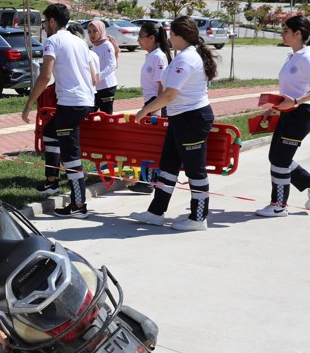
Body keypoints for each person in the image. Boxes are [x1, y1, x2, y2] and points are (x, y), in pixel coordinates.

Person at [130, 16, 218, 231]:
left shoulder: (186, 59)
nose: (169, 39)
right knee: (168, 167)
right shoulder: (185, 55)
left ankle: (198, 218)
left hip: (192, 119)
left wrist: (145, 110)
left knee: (195, 171)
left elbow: (169, 94)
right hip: (180, 118)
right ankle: (156, 212)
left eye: (172, 34)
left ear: (180, 36)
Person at [21, 3, 97, 218]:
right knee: (49, 132)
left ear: (53, 21)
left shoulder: (53, 41)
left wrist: (29, 104)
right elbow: (92, 75)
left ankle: (78, 205)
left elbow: (45, 75)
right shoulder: (79, 41)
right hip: (84, 100)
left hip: (71, 103)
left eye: (45, 22)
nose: (44, 26)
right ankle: (52, 181)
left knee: (71, 156)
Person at [256, 15, 310, 217]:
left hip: (301, 114)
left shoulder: (306, 57)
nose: (282, 34)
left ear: (298, 34)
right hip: (288, 112)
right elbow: (291, 89)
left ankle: (279, 205)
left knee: (280, 159)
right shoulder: (292, 56)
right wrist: (274, 108)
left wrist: (296, 102)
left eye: (285, 31)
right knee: (276, 157)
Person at [130, 22, 172, 194]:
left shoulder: (158, 57)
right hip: (150, 102)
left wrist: (156, 109)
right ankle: (147, 180)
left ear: (152, 38)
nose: (138, 40)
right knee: (148, 143)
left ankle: (148, 182)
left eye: (140, 36)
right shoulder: (151, 56)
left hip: (155, 103)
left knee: (151, 144)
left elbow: (162, 85)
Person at [87, 20, 119, 115]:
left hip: (107, 86)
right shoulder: (94, 47)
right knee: (90, 114)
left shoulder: (106, 45)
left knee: (106, 115)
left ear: (101, 30)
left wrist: (98, 77)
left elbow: (112, 65)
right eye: (89, 32)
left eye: (95, 31)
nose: (92, 34)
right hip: (96, 87)